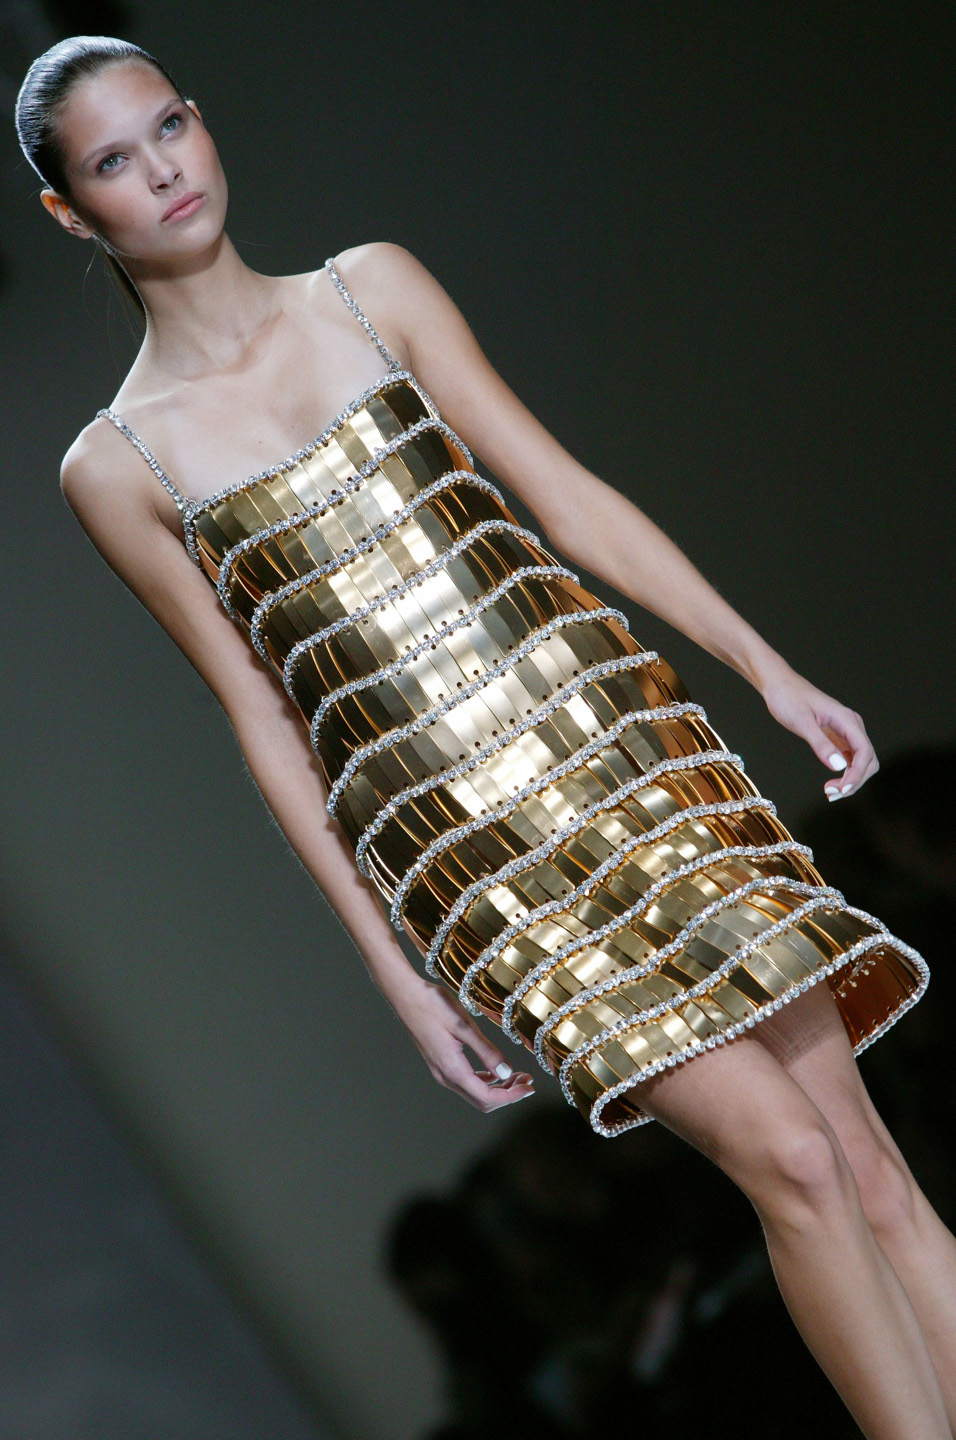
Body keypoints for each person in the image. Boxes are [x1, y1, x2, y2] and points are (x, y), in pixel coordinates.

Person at [14, 35, 955, 1438]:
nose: (162, 171)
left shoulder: (370, 289)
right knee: (796, 1164)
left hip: (628, 758)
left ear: (202, 123)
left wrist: (765, 666)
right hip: (486, 867)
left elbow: (563, 499)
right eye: (112, 161)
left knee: (868, 1167)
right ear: (68, 212)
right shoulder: (118, 464)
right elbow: (267, 721)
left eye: (169, 127)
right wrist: (396, 976)